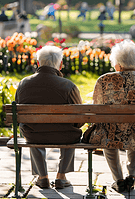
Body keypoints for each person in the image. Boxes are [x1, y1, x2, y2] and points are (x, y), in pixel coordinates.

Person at [86, 40, 135, 194]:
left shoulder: (104, 80)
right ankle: (131, 176)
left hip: (112, 132)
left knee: (108, 133)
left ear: (117, 63)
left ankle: (118, 180)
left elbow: (97, 109)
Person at [15, 46, 83, 190]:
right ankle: (61, 176)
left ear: (38, 64)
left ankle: (42, 177)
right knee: (72, 129)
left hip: (34, 135)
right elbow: (80, 118)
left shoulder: (23, 84)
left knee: (30, 128)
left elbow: (19, 117)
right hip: (65, 136)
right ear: (61, 64)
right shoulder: (69, 86)